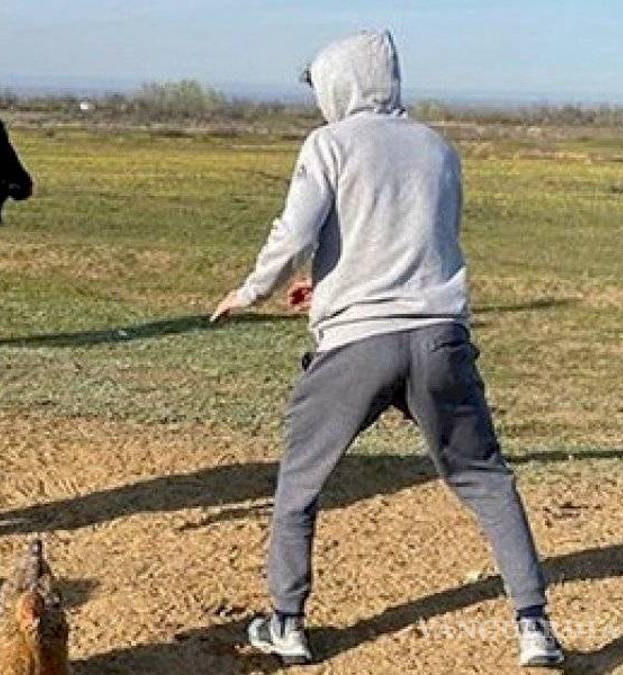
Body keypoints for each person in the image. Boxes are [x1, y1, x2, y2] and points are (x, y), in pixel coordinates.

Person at [210, 30, 564, 667]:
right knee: (486, 479)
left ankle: (286, 622)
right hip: (441, 338)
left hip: (357, 344)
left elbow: (295, 231)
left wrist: (251, 290)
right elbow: (422, 243)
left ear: (340, 83)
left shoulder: (328, 143)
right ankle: (535, 627)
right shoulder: (439, 148)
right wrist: (326, 284)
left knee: (299, 484)